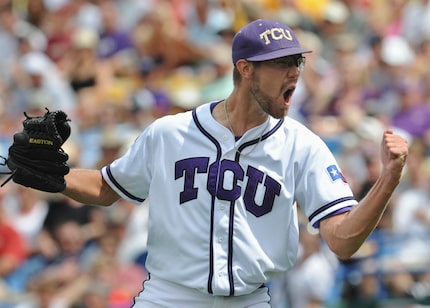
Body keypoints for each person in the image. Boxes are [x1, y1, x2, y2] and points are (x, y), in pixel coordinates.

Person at [23, 19, 409, 307]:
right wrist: (58, 177)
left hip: (249, 299)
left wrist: (388, 180)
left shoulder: (302, 146)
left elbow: (342, 241)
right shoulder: (170, 133)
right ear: (246, 69)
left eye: (297, 62)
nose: (294, 71)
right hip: (168, 297)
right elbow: (109, 188)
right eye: (282, 62)